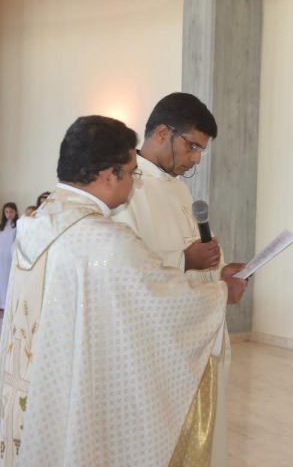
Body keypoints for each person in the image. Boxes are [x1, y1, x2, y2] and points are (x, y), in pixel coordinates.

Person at [0, 116, 247, 466]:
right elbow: (162, 301)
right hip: (68, 396)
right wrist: (222, 292)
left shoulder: (36, 222)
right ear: (107, 175)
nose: (134, 182)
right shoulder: (103, 242)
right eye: (132, 172)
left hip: (31, 391)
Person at [111, 92, 234, 465]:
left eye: (201, 151)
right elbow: (123, 268)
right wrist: (184, 261)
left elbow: (193, 252)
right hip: (152, 355)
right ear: (163, 133)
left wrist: (221, 273)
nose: (196, 159)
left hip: (192, 343)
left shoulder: (178, 188)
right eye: (192, 146)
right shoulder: (127, 188)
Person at [0, 203, 18, 318]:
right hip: (1, 256)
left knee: (8, 279)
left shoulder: (18, 225)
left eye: (11, 211)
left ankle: (8, 304)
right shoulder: (2, 226)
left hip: (10, 256)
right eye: (6, 212)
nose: (9, 214)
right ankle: (2, 304)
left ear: (16, 212)